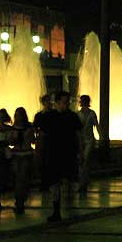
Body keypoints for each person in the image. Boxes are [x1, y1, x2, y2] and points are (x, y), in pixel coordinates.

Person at [40, 91, 83, 222]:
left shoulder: (72, 116)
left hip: (69, 153)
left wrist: (80, 151)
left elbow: (78, 135)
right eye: (65, 102)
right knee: (54, 183)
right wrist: (40, 151)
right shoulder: (49, 116)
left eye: (68, 102)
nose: (67, 104)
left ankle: (69, 205)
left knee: (70, 181)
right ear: (57, 102)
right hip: (54, 153)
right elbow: (43, 135)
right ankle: (57, 210)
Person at [10, 107, 35, 214]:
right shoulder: (14, 128)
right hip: (17, 154)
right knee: (18, 178)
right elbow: (11, 142)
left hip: (25, 154)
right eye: (16, 115)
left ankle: (20, 199)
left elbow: (33, 140)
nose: (17, 117)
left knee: (22, 177)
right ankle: (19, 199)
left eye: (19, 115)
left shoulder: (29, 127)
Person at [77, 94, 100, 193]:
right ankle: (83, 181)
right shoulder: (78, 114)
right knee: (81, 161)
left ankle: (83, 183)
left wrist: (101, 137)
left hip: (89, 140)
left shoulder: (91, 113)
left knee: (85, 160)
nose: (82, 102)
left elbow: (96, 125)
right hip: (81, 140)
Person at [33, 94, 55, 191]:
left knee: (48, 161)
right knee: (42, 161)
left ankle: (47, 183)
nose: (49, 103)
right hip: (42, 140)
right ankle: (44, 183)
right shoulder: (40, 115)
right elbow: (35, 127)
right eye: (47, 101)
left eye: (50, 101)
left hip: (49, 140)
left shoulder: (52, 114)